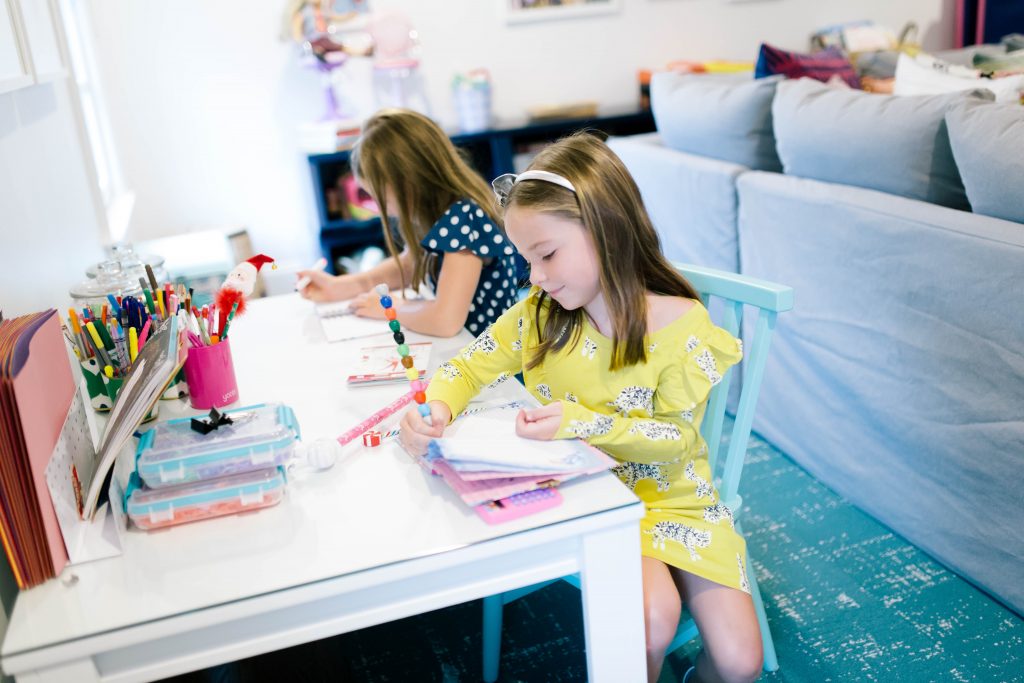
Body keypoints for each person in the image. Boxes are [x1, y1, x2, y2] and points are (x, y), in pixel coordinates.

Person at [398, 133, 764, 683]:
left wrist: (581, 423)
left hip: (677, 498)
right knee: (650, 619)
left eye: (546, 254)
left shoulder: (684, 327)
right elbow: (468, 365)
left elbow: (677, 441)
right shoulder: (542, 315)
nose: (536, 276)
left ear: (608, 227)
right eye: (526, 260)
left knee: (739, 664)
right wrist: (438, 408)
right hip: (591, 497)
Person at [298, 109, 519, 337]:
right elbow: (410, 263)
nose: (377, 206)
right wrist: (342, 286)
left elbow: (445, 321)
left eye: (378, 196)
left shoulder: (465, 218)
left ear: (406, 185)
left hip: (493, 362)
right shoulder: (439, 212)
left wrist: (390, 307)